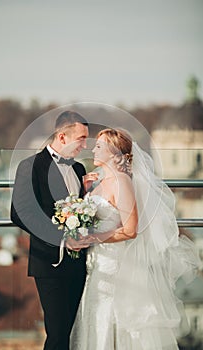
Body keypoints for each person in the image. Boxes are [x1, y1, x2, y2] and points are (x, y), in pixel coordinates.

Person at [70, 128, 200, 350]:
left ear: (114, 153)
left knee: (111, 321)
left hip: (115, 264)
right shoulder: (99, 181)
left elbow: (131, 230)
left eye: (99, 146)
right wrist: (86, 193)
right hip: (96, 264)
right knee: (95, 318)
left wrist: (94, 238)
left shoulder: (122, 182)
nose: (93, 149)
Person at [11, 110, 90, 350]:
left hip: (79, 263)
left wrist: (87, 193)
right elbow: (19, 213)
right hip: (49, 262)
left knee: (75, 332)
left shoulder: (79, 169)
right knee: (57, 334)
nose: (85, 145)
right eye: (81, 139)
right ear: (63, 137)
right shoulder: (30, 166)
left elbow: (79, 211)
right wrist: (62, 240)